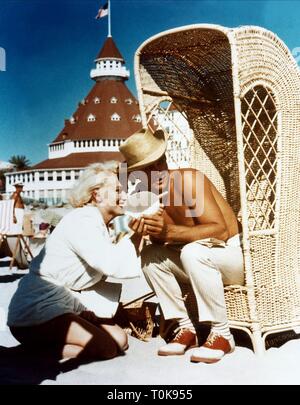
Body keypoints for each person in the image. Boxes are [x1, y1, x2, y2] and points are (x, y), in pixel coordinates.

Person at [119, 128, 244, 364]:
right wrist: (144, 233)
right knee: (151, 254)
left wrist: (170, 232)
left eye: (161, 161)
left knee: (193, 250)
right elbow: (165, 242)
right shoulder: (150, 198)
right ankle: (185, 328)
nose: (159, 169)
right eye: (150, 167)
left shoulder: (188, 180)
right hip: (198, 263)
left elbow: (221, 230)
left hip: (230, 257)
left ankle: (222, 334)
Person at [7, 162, 145, 362]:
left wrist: (134, 235)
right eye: (117, 190)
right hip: (36, 310)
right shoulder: (83, 221)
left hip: (60, 304)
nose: (124, 196)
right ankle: (19, 354)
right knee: (106, 348)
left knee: (119, 340)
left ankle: (39, 348)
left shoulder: (98, 222)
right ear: (97, 195)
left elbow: (112, 256)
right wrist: (131, 236)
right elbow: (109, 264)